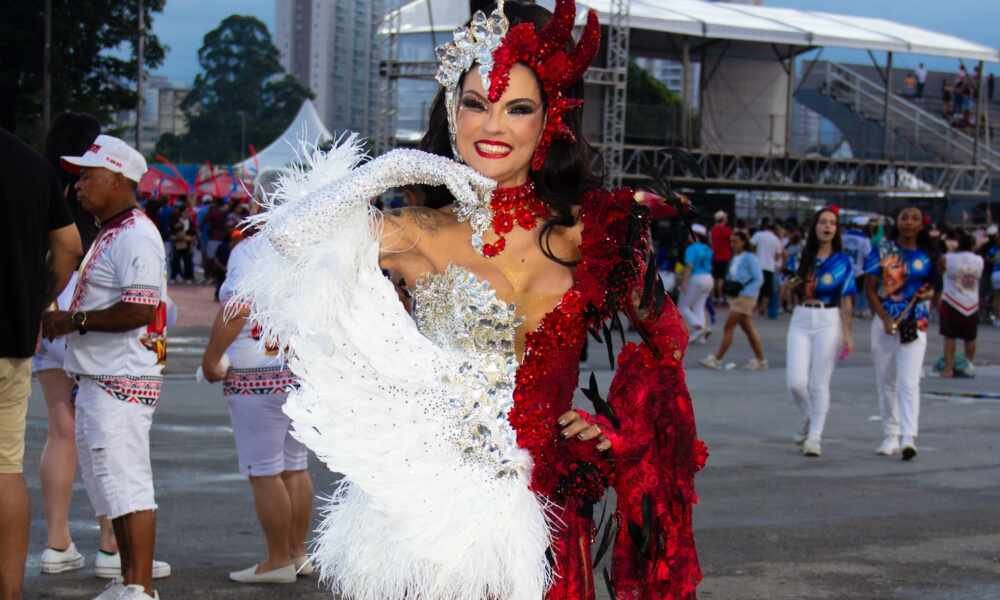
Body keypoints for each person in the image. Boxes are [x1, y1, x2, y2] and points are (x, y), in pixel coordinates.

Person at [224, 2, 705, 598]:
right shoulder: (415, 230)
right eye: (475, 103)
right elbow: (285, 238)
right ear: (452, 113)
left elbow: (669, 343)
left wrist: (615, 425)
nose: (493, 125)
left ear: (550, 119)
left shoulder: (596, 234)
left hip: (550, 513)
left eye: (517, 107)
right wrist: (391, 167)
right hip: (435, 520)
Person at [42, 135, 171, 600]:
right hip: (102, 376)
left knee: (128, 483)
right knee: (111, 484)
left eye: (89, 176)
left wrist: (71, 320)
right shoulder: (115, 231)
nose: (79, 186)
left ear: (118, 179)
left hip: (121, 378)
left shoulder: (135, 234)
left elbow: (139, 309)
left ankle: (140, 587)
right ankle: (130, 580)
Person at [200, 226, 315, 585]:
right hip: (299, 368)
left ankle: (277, 560)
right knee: (295, 467)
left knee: (264, 470)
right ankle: (296, 552)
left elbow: (237, 307)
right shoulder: (310, 244)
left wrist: (212, 356)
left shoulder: (251, 249)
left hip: (256, 370)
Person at [34, 114, 123, 577]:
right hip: (86, 311)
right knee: (101, 430)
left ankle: (56, 543)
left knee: (60, 430)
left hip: (45, 311)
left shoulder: (36, 180)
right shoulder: (93, 189)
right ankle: (111, 543)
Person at [0, 127, 82, 600]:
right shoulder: (30, 163)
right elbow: (69, 245)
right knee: (6, 469)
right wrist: (35, 301)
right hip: (10, 339)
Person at [864, 206, 935, 461]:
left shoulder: (928, 255)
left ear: (921, 225)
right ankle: (889, 434)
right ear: (898, 221)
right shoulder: (882, 250)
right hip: (885, 322)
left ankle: (908, 437)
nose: (908, 222)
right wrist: (883, 317)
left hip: (915, 322)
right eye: (904, 217)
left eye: (914, 218)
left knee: (909, 381)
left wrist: (929, 295)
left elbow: (931, 287)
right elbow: (870, 288)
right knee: (886, 381)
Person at [784, 208, 855, 458]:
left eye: (832, 223)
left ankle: (814, 437)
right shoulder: (800, 258)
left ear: (836, 229)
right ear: (814, 226)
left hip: (829, 319)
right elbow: (787, 292)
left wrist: (847, 332)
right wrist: (788, 286)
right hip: (801, 317)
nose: (827, 226)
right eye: (823, 222)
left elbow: (847, 300)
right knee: (795, 382)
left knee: (819, 382)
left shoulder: (844, 261)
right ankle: (808, 416)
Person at [700, 230, 768, 371]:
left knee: (728, 327)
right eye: (731, 241)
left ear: (744, 242)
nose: (732, 244)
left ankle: (717, 359)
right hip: (737, 297)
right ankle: (761, 360)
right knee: (748, 329)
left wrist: (744, 292)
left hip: (745, 298)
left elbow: (758, 278)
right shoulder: (736, 257)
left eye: (735, 241)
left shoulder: (750, 257)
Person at [938, 230, 983, 377]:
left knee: (950, 337)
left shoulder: (948, 258)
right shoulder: (979, 260)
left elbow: (940, 269)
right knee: (970, 338)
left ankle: (948, 369)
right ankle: (968, 366)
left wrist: (950, 251)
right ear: (973, 245)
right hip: (971, 303)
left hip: (952, 301)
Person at [678, 223, 714, 343]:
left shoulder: (692, 248)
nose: (688, 235)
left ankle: (700, 326)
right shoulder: (707, 248)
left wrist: (683, 282)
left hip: (696, 278)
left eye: (690, 233)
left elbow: (689, 266)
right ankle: (701, 337)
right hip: (708, 278)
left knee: (683, 306)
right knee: (699, 305)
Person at [751, 218, 783, 319]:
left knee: (756, 288)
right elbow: (778, 256)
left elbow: (751, 246)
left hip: (757, 266)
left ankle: (753, 308)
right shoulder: (776, 239)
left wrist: (755, 254)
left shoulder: (758, 235)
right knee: (767, 290)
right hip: (769, 267)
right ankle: (763, 309)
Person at [842, 217, 873, 317]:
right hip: (858, 270)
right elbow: (868, 255)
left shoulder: (843, 236)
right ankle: (857, 310)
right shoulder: (864, 239)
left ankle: (846, 309)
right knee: (859, 291)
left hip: (844, 268)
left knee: (845, 291)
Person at [710, 210, 733, 304]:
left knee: (715, 277)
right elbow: (731, 242)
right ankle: (719, 296)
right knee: (721, 278)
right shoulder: (727, 230)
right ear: (723, 219)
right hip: (724, 256)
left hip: (714, 256)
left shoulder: (713, 229)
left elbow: (711, 241)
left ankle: (713, 296)